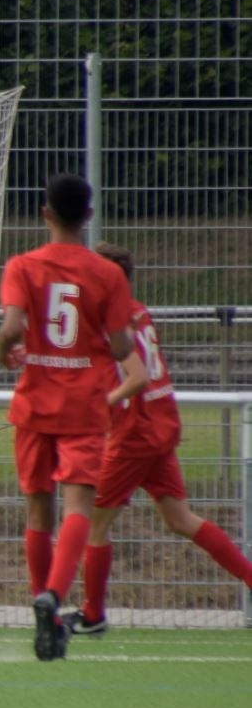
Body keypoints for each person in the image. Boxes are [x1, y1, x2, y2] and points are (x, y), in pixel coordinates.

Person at [64, 243, 252, 636]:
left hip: (134, 434)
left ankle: (93, 615)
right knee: (179, 519)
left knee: (93, 524)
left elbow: (134, 377)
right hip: (160, 425)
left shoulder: (110, 321)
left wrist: (101, 404)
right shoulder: (137, 309)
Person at [0, 174, 143, 661]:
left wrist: (6, 351)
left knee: (39, 510)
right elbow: (122, 345)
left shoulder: (23, 265)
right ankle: (54, 597)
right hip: (84, 404)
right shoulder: (107, 274)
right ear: (89, 217)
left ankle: (48, 613)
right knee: (79, 505)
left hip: (34, 400)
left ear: (46, 214)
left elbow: (13, 327)